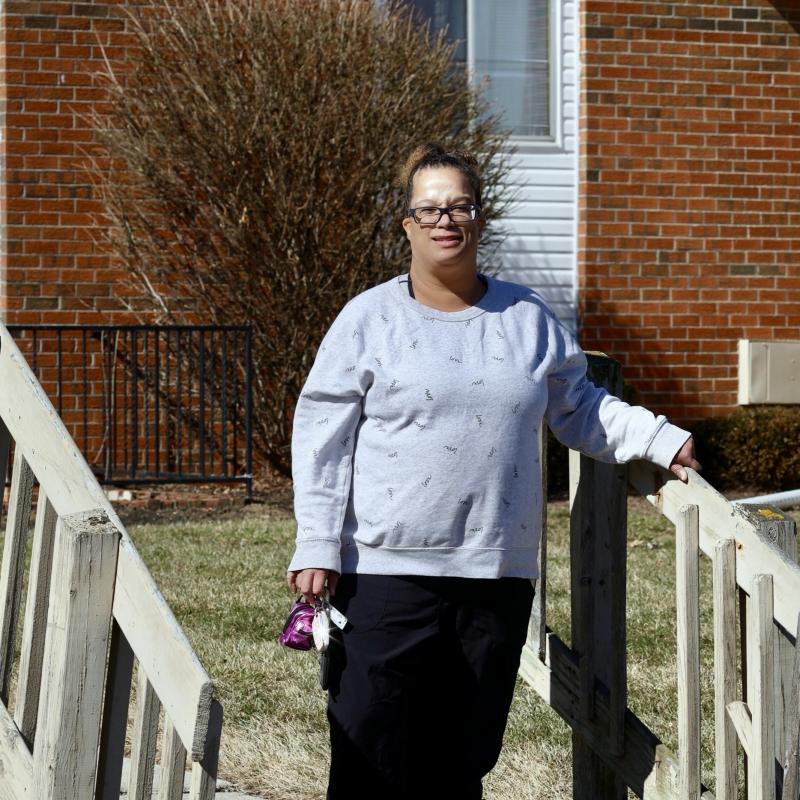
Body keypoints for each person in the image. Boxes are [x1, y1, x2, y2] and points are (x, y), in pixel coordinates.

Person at [286, 143, 700, 799]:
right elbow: (322, 436)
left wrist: (656, 437)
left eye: (459, 206)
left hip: (494, 578)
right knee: (369, 756)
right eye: (429, 209)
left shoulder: (526, 318)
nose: (445, 220)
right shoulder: (369, 320)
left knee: (461, 761)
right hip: (385, 574)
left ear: (479, 220)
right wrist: (315, 543)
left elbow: (579, 405)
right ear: (407, 226)